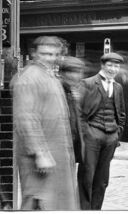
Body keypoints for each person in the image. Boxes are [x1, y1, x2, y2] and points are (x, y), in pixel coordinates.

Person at [13, 35, 79, 210]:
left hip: (55, 154)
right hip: (41, 160)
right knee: (38, 201)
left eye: (54, 54)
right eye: (45, 54)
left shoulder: (49, 76)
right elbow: (26, 118)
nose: (50, 58)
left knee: (54, 202)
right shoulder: (29, 78)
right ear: (34, 53)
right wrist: (40, 153)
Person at [79, 51, 126, 210]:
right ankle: (84, 209)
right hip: (92, 135)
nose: (113, 69)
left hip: (110, 138)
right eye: (110, 65)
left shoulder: (118, 87)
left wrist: (117, 133)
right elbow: (79, 113)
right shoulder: (88, 83)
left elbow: (121, 113)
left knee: (102, 179)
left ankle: (96, 209)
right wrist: (86, 134)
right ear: (103, 65)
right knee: (87, 176)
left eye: (116, 66)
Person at [58, 56, 86, 171]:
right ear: (62, 73)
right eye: (70, 71)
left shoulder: (80, 90)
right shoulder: (56, 90)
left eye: (77, 72)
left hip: (74, 143)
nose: (74, 76)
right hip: (59, 145)